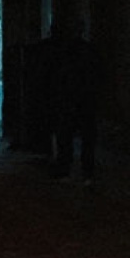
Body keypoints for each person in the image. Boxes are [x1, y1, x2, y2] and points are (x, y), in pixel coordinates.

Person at [48, 20, 99, 182]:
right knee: (85, 137)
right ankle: (86, 170)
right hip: (84, 99)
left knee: (66, 135)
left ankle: (65, 168)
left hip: (71, 99)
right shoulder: (88, 51)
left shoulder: (62, 52)